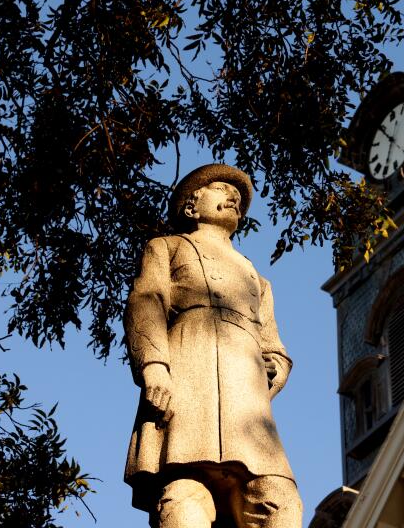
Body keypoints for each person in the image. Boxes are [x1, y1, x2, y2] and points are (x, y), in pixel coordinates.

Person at [124, 164, 302, 528]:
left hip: (246, 396)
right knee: (185, 490)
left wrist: (277, 364)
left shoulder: (258, 278)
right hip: (188, 372)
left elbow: (273, 342)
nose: (232, 197)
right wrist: (154, 365)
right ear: (191, 206)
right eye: (220, 189)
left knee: (280, 499)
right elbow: (147, 301)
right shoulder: (167, 247)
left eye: (236, 197)